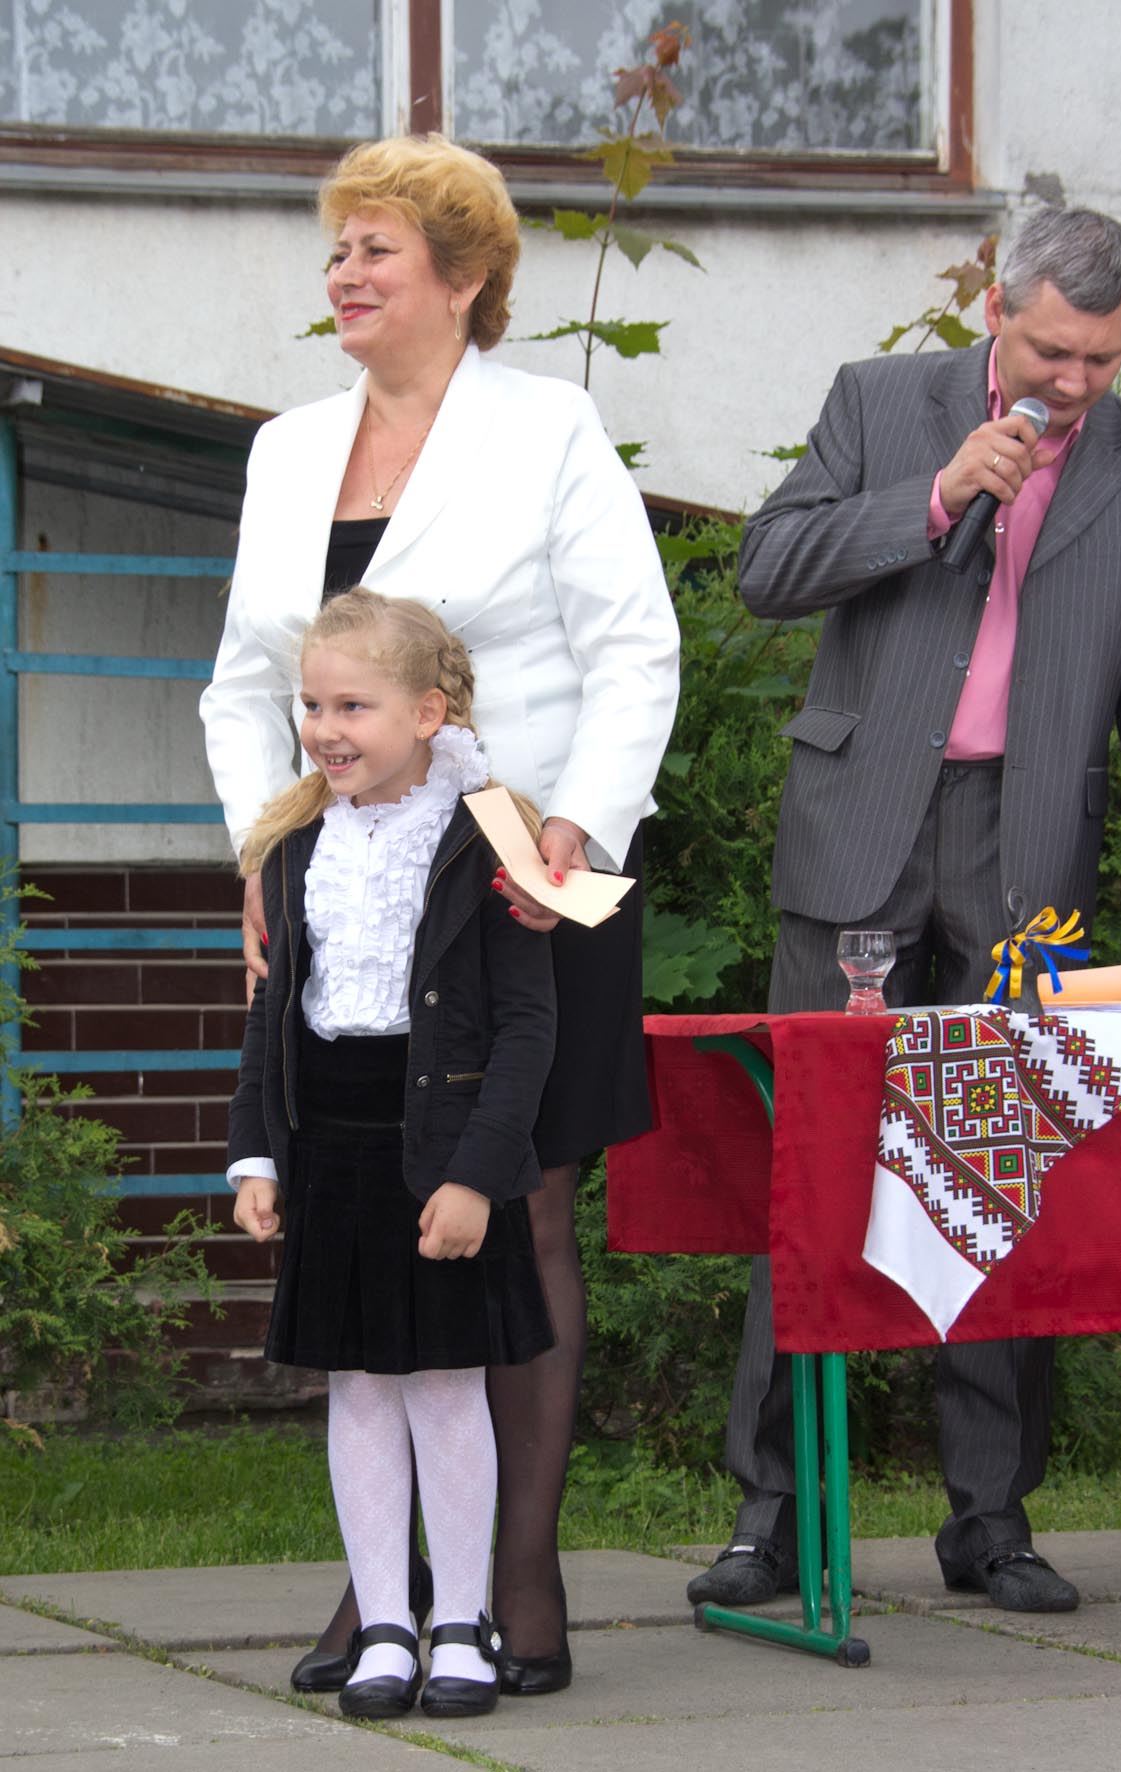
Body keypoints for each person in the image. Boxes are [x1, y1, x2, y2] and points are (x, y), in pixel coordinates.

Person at [200, 133, 680, 1695]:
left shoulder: (548, 428)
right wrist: (261, 858)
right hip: (342, 896)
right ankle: (384, 1591)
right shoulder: (287, 451)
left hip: (519, 884)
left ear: (463, 278)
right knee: (361, 1215)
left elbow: (634, 650)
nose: (341, 271)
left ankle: (511, 1578)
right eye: (336, 247)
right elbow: (238, 687)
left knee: (518, 1208)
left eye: (375, 248)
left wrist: (575, 824)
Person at [689, 207, 1121, 1616]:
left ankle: (990, 1516)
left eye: (1099, 359)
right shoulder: (876, 401)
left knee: (995, 1181)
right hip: (859, 832)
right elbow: (767, 570)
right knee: (813, 1172)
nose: (1070, 383)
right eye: (1048, 351)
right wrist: (933, 493)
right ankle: (772, 1514)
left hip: (1025, 855)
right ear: (995, 311)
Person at [229, 589, 556, 1721]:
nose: (325, 728)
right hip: (331, 1146)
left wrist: (476, 1174)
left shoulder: (488, 840)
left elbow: (527, 1027)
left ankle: (460, 1621)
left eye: (351, 706)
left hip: (441, 1150)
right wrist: (256, 1156)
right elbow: (271, 1016)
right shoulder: (291, 845)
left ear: (427, 712)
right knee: (360, 1388)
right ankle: (382, 1622)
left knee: (448, 1385)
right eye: (312, 704)